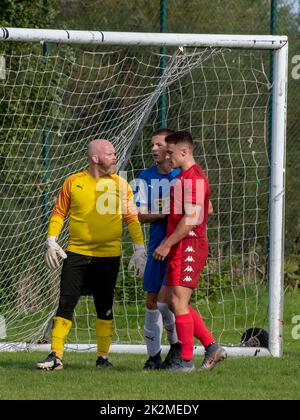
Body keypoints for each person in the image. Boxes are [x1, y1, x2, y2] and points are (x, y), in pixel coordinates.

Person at [37, 139, 146, 371]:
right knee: (65, 303)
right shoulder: (73, 182)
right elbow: (58, 212)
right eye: (110, 153)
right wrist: (51, 240)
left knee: (104, 306)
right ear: (95, 158)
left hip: (108, 257)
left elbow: (132, 219)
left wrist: (139, 250)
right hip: (76, 255)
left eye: (115, 153)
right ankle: (55, 355)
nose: (115, 157)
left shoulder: (121, 184)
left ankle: (102, 358)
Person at [153, 130, 227, 372]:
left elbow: (192, 217)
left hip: (189, 245)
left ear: (184, 152)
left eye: (170, 152)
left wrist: (167, 242)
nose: (167, 156)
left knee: (177, 301)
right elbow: (207, 208)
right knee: (169, 300)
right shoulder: (184, 178)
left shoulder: (193, 178)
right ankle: (211, 346)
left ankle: (185, 361)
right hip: (181, 245)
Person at [135, 128, 181, 369]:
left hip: (179, 248)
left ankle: (177, 348)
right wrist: (164, 212)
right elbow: (139, 216)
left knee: (172, 301)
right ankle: (153, 357)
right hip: (156, 248)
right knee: (152, 301)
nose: (153, 149)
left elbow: (204, 210)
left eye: (158, 144)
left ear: (170, 147)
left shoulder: (183, 175)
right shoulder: (145, 177)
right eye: (151, 145)